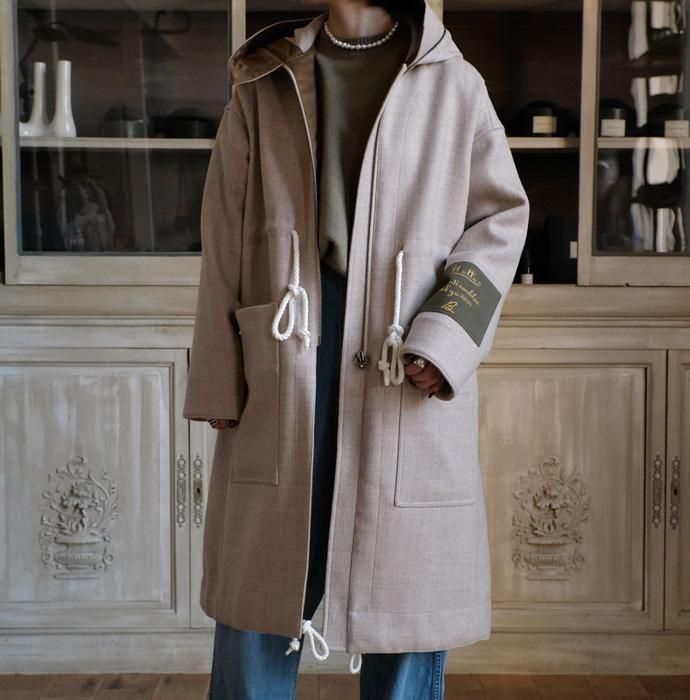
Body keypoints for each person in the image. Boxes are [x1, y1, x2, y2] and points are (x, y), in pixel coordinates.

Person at [182, 0, 530, 698]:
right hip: (284, 351)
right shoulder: (264, 80)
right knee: (260, 584)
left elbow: (500, 221)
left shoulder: (454, 83)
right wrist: (219, 375)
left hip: (405, 351)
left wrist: (445, 338)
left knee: (408, 596)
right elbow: (223, 237)